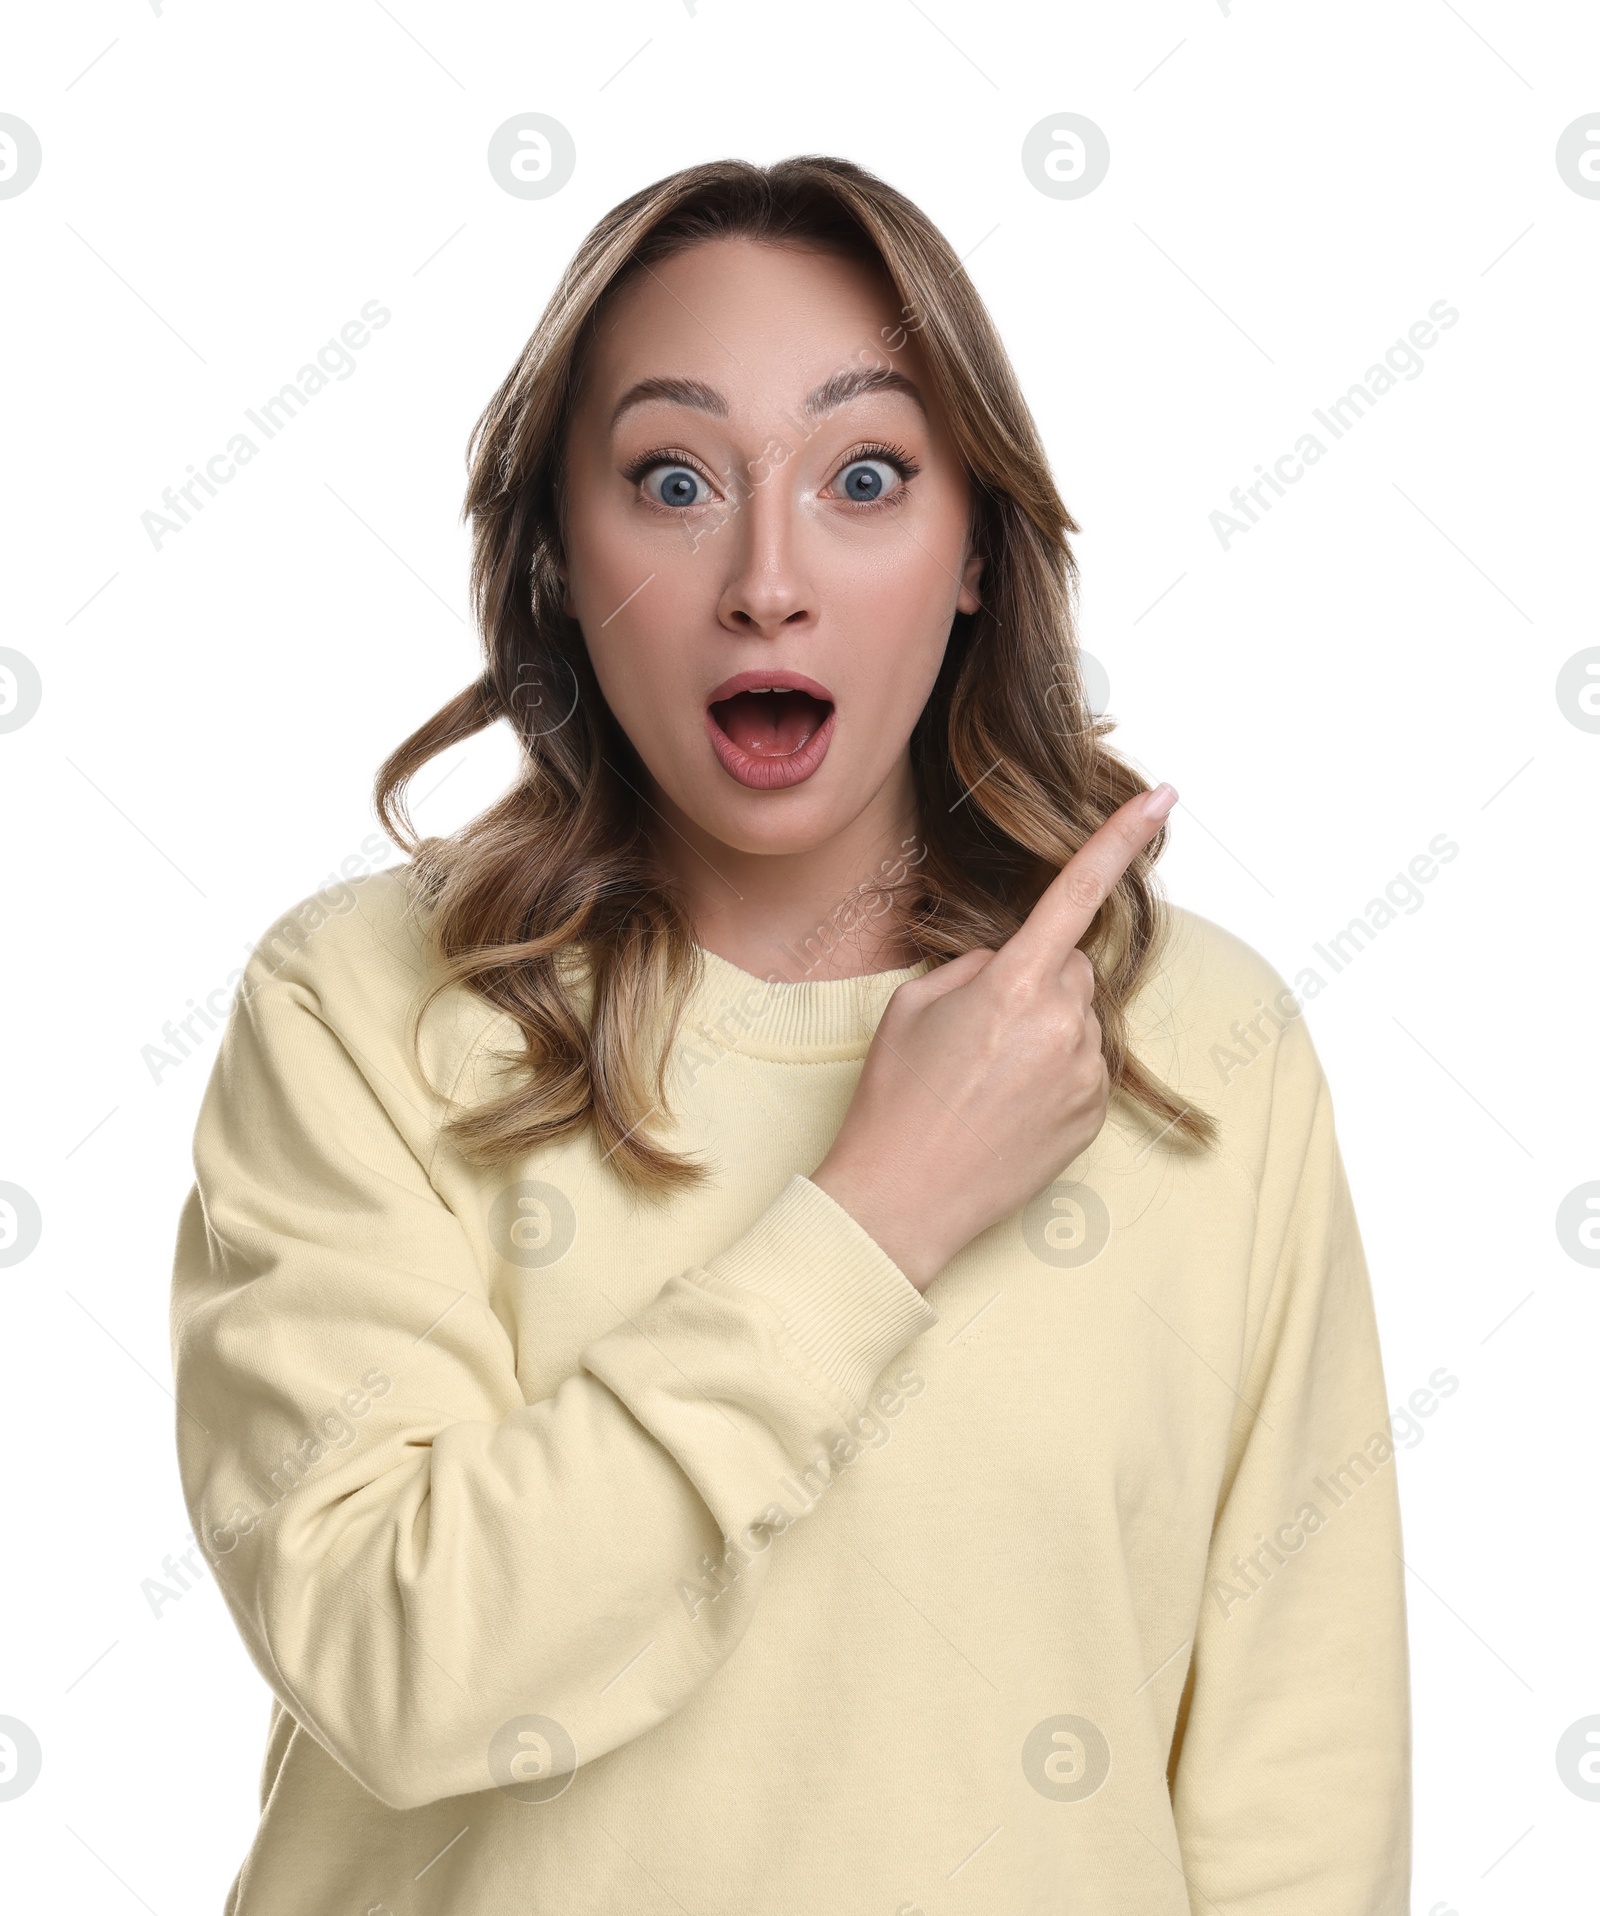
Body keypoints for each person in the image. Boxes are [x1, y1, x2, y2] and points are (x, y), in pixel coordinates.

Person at [169, 155, 1410, 1914]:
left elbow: (1301, 1788)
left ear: (975, 548)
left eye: (867, 478)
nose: (767, 579)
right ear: (554, 553)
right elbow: (401, 1662)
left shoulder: (1195, 1043)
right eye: (673, 480)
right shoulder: (361, 1010)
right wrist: (874, 1216)